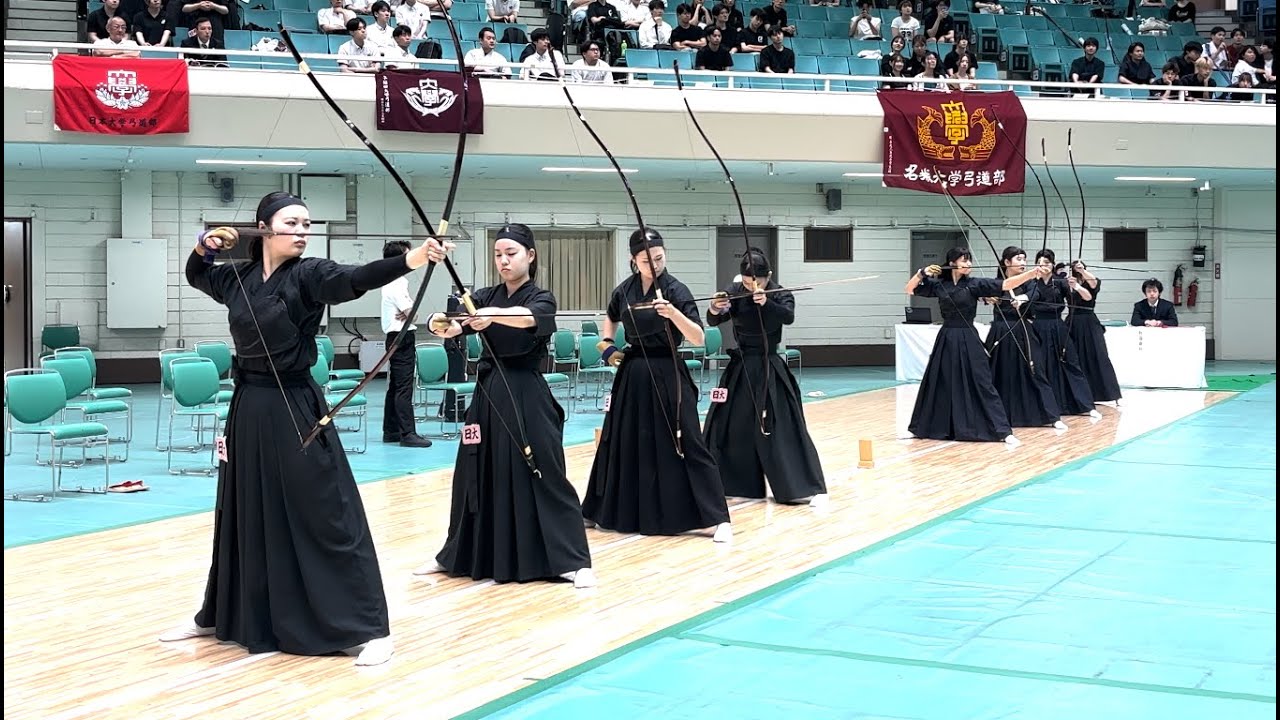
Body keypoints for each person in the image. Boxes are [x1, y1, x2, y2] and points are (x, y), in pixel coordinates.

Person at [161, 191, 450, 666]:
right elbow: (197, 274)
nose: (301, 231)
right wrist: (205, 243)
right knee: (240, 507)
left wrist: (414, 258)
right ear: (263, 228)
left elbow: (355, 280)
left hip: (295, 403)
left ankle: (366, 627)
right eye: (292, 223)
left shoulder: (310, 274)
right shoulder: (239, 277)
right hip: (248, 405)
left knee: (324, 509)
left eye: (307, 224)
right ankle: (221, 613)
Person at [415, 224, 595, 588]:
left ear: (530, 255)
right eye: (498, 254)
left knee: (542, 468)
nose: (504, 260)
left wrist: (491, 315)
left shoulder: (541, 297)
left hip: (525, 390)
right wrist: (441, 325)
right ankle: (457, 553)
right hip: (488, 391)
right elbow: (455, 326)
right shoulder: (482, 295)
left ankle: (571, 559)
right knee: (474, 471)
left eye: (511, 253)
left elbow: (532, 319)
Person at [582, 228, 732, 542]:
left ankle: (717, 518)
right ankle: (599, 510)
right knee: (619, 439)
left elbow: (699, 338)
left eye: (659, 258)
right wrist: (608, 346)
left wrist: (672, 312)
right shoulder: (624, 290)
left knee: (687, 439)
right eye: (647, 260)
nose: (655, 265)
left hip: (668, 368)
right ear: (633, 261)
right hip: (633, 370)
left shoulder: (677, 290)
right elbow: (611, 316)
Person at [703, 248, 827, 506]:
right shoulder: (735, 292)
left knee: (780, 425)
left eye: (756, 281)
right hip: (740, 366)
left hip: (769, 364)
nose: (751, 286)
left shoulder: (781, 293)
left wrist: (767, 303)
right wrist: (715, 307)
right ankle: (732, 483)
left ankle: (798, 486)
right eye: (747, 282)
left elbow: (788, 317)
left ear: (768, 276)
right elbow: (714, 319)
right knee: (728, 424)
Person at [904, 247, 1047, 444]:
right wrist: (921, 273)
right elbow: (910, 289)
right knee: (940, 381)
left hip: (968, 336)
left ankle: (1002, 431)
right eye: (964, 260)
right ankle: (925, 426)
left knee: (982, 381)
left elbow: (1005, 284)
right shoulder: (940, 285)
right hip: (947, 336)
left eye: (970, 260)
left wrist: (1031, 273)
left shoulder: (975, 284)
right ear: (952, 262)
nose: (969, 264)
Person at [983, 246, 1065, 430]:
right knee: (998, 372)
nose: (1023, 263)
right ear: (1006, 262)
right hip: (1000, 330)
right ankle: (995, 416)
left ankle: (1051, 415)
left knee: (1035, 370)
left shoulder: (1029, 282)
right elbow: (983, 291)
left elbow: (1035, 292)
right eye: (1018, 259)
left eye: (1024, 259)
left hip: (1022, 329)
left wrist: (1022, 299)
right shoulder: (998, 283)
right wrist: (988, 297)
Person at [1031, 250, 1099, 418]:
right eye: (1040, 262)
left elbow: (1088, 296)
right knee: (1042, 366)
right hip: (1037, 326)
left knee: (1070, 361)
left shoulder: (1060, 282)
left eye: (1046, 262)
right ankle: (1045, 406)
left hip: (1057, 325)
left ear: (1052, 265)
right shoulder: (1031, 282)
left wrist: (1075, 285)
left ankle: (1085, 405)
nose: (1043, 266)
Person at [380, 240, 432, 447]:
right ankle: (407, 433)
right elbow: (412, 314)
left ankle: (391, 430)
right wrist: (411, 312)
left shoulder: (390, 281)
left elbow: (409, 313)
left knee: (395, 386)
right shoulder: (396, 282)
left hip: (396, 337)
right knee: (403, 387)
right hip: (401, 337)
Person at [1067, 261, 1123, 404]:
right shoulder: (1068, 283)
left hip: (1089, 321)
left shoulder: (1090, 281)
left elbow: (1091, 290)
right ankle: (1080, 395)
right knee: (1075, 358)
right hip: (1073, 321)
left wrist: (1082, 272)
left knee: (1099, 355)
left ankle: (1114, 395)